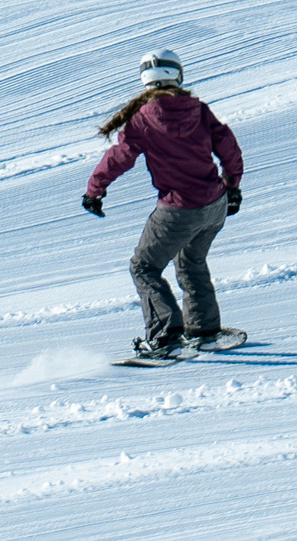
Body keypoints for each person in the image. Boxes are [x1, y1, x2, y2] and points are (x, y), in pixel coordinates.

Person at [81, 49, 244, 356]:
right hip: (214, 204)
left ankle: (166, 336)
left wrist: (94, 190)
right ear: (177, 75)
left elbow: (119, 157)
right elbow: (228, 147)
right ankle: (205, 330)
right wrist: (232, 186)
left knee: (144, 267)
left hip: (179, 209)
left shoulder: (143, 119)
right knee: (191, 262)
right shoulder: (198, 109)